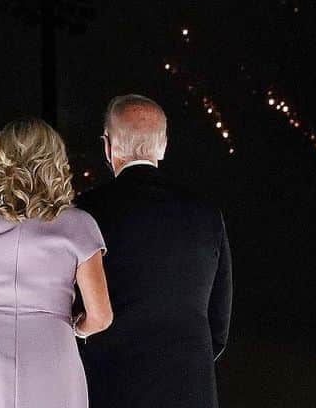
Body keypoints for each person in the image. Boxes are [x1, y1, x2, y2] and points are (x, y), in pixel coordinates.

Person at [0, 118, 113, 408]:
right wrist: (75, 328)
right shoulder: (79, 226)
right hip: (52, 347)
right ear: (56, 163)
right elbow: (100, 317)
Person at [78, 94, 232, 408]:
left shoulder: (84, 212)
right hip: (191, 390)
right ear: (162, 145)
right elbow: (218, 322)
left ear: (108, 146)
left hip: (110, 388)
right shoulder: (206, 213)